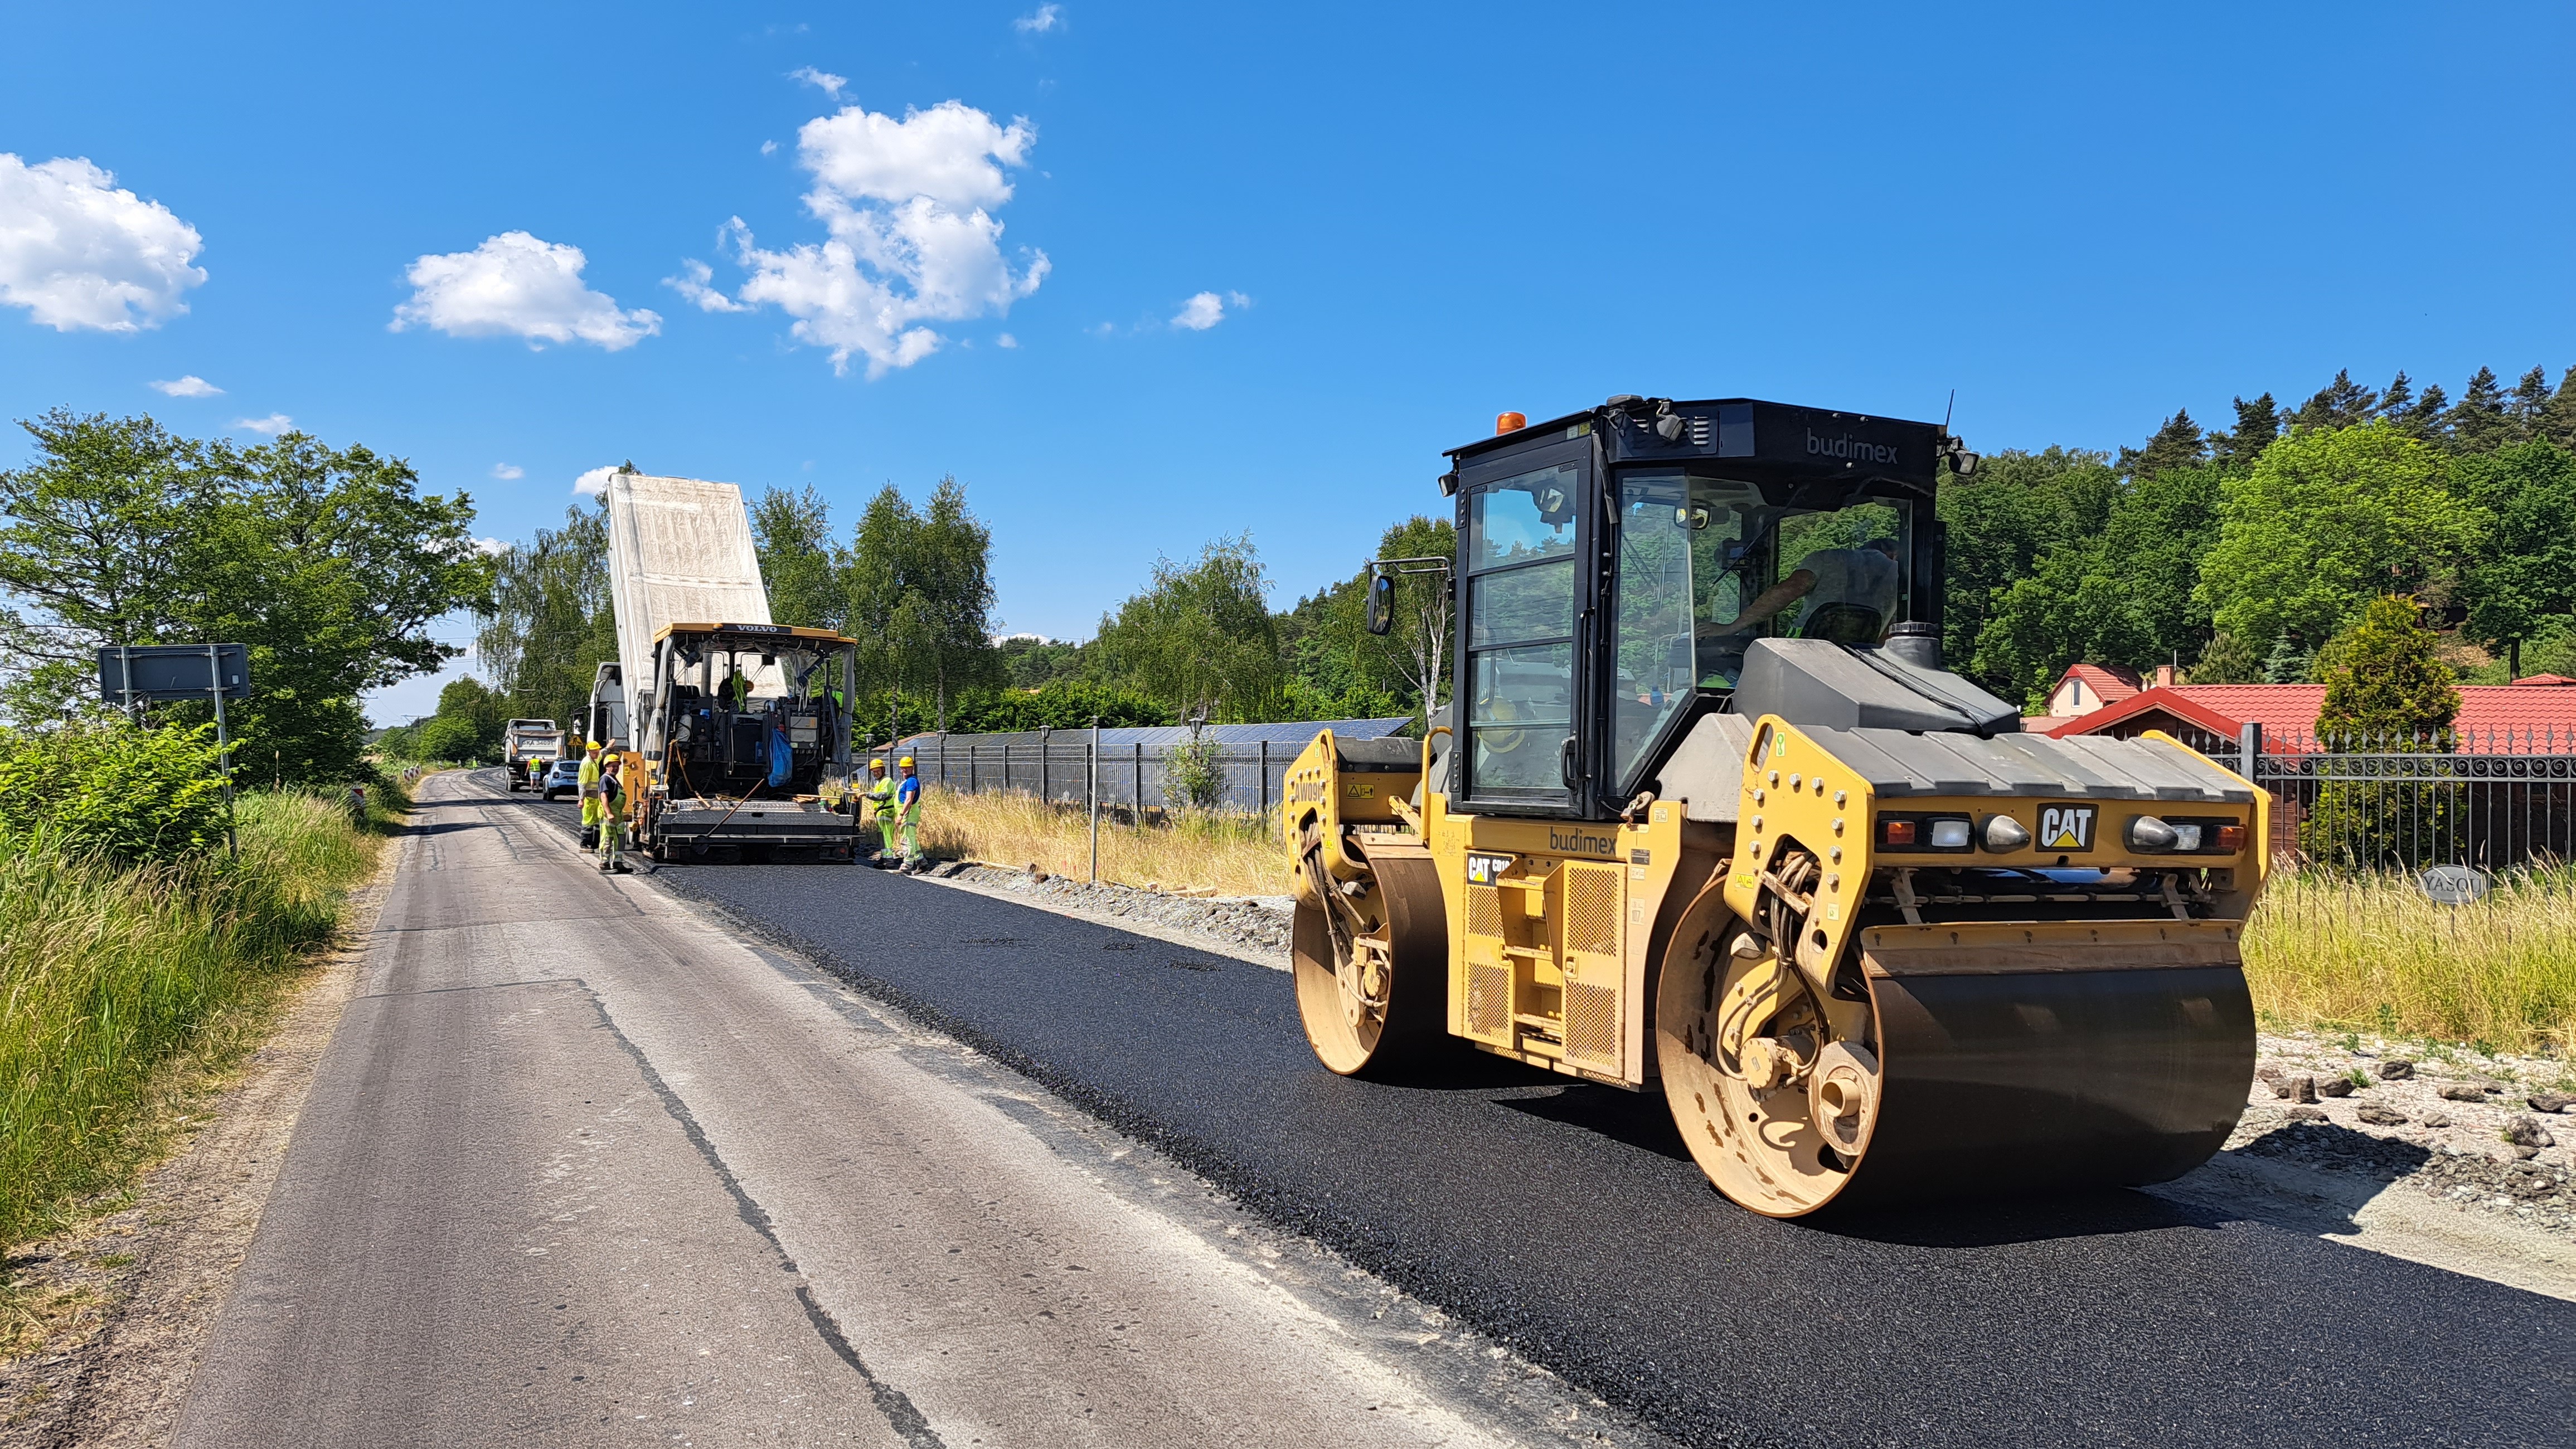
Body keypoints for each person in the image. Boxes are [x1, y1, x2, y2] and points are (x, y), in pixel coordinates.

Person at [1706, 536, 1901, 645]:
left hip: (1802, 652)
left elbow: (1788, 591)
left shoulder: (1828, 558)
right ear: (1893, 555)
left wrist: (1730, 628)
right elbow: (1888, 633)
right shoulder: (1900, 577)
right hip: (1857, 658)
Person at [596, 757, 632, 873]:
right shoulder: (605, 779)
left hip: (618, 815)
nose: (616, 768)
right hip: (609, 816)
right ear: (607, 766)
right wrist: (609, 813)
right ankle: (604, 865)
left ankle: (618, 863)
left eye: (617, 766)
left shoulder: (614, 779)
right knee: (608, 839)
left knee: (620, 839)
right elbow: (604, 797)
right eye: (613, 766)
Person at [861, 756, 898, 861]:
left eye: (877, 771)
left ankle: (889, 859)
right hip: (881, 812)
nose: (876, 773)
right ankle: (884, 857)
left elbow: (881, 796)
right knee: (882, 836)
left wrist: (866, 794)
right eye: (874, 772)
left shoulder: (887, 781)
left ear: (883, 770)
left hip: (886, 812)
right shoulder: (880, 781)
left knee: (886, 836)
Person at [894, 755, 925, 873]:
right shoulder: (908, 781)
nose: (904, 770)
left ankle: (907, 865)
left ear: (912, 768)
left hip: (908, 814)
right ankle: (922, 862)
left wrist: (901, 815)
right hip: (908, 813)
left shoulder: (911, 781)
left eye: (907, 768)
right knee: (911, 839)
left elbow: (909, 799)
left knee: (907, 840)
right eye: (902, 768)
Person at [577, 742, 604, 847]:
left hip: (595, 797)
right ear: (589, 752)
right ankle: (585, 844)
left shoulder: (594, 760)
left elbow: (602, 754)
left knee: (597, 820)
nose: (597, 754)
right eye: (595, 753)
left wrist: (609, 747)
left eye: (597, 752)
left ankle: (595, 843)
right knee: (588, 821)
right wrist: (581, 799)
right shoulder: (587, 763)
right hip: (588, 797)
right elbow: (582, 783)